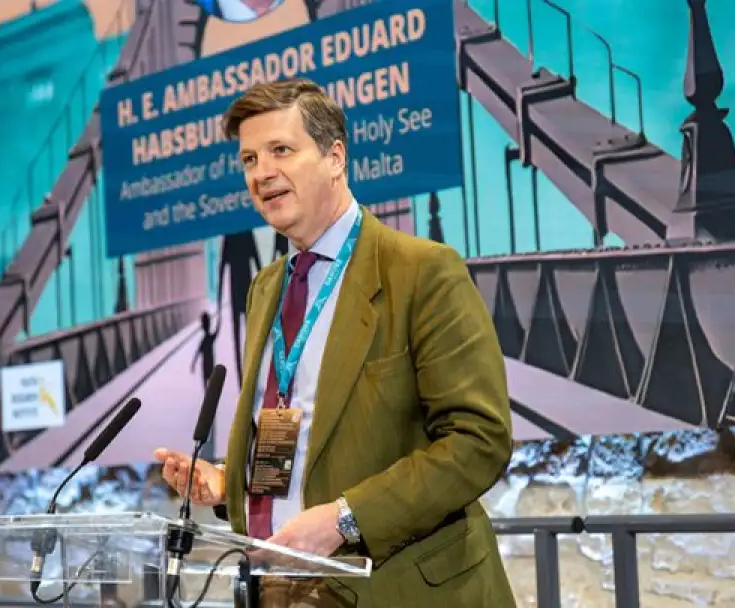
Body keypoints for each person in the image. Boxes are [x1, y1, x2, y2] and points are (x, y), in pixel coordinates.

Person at [154, 77, 515, 607]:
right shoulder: (266, 288)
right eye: (250, 159)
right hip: (276, 584)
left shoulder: (421, 271)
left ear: (335, 158)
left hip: (396, 589)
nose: (261, 173)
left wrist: (346, 519)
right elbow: (300, 435)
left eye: (281, 150)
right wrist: (231, 484)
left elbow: (479, 441)